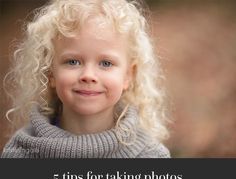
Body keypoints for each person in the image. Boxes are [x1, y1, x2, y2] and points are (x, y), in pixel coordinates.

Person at [2, 0, 170, 159]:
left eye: (106, 63)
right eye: (73, 62)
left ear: (128, 75)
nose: (88, 75)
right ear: (50, 73)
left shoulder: (150, 155)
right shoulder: (21, 153)